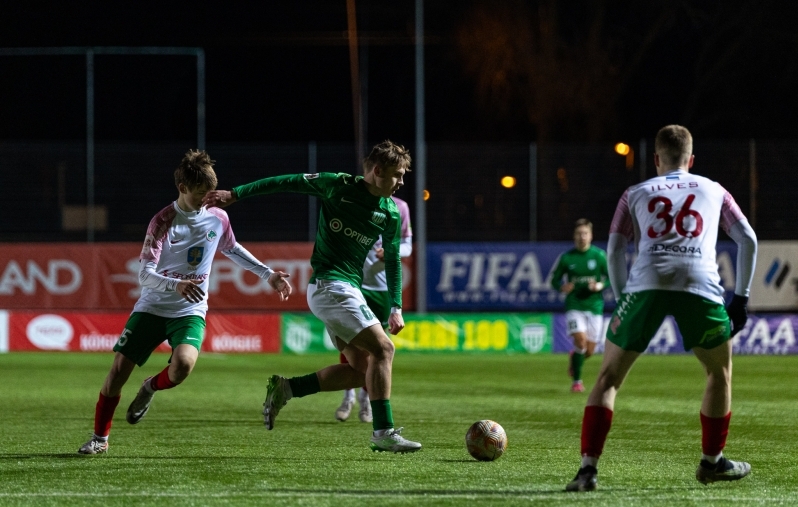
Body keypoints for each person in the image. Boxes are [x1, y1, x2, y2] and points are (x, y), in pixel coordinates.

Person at [566, 125, 757, 491]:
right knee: (719, 374)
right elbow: (747, 237)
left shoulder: (635, 192)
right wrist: (742, 299)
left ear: (656, 159)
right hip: (699, 284)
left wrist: (624, 297)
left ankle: (587, 470)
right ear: (692, 159)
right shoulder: (714, 189)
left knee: (608, 378)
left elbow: (616, 248)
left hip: (646, 284)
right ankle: (712, 462)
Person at [202, 140, 421, 453]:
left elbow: (392, 261)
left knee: (361, 370)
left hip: (345, 289)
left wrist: (396, 306)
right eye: (397, 175)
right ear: (377, 171)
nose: (401, 182)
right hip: (331, 286)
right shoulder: (338, 186)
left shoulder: (390, 213)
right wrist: (235, 194)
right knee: (384, 349)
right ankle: (383, 432)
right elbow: (287, 181)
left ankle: (286, 388)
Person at [78, 150, 292, 455]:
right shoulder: (163, 221)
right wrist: (176, 285)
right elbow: (144, 275)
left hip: (190, 309)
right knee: (117, 373)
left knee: (183, 367)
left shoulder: (218, 217)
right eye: (201, 194)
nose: (207, 199)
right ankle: (100, 438)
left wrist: (268, 274)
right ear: (182, 188)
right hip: (153, 306)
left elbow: (232, 248)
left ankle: (149, 387)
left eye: (210, 193)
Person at [335, 194, 412, 423]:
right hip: (354, 284)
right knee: (348, 342)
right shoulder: (355, 201)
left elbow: (407, 243)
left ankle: (366, 399)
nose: (398, 181)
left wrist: (392, 252)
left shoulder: (401, 207)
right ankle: (347, 396)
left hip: (381, 288)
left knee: (376, 348)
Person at [550, 219, 609, 393]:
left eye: (585, 233)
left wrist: (599, 286)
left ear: (591, 236)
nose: (582, 237)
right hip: (574, 305)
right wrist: (562, 287)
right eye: (579, 233)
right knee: (580, 341)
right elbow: (554, 279)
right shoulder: (567, 258)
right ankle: (577, 382)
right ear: (574, 236)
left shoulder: (598, 256)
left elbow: (610, 277)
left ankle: (575, 359)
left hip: (595, 306)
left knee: (589, 351)